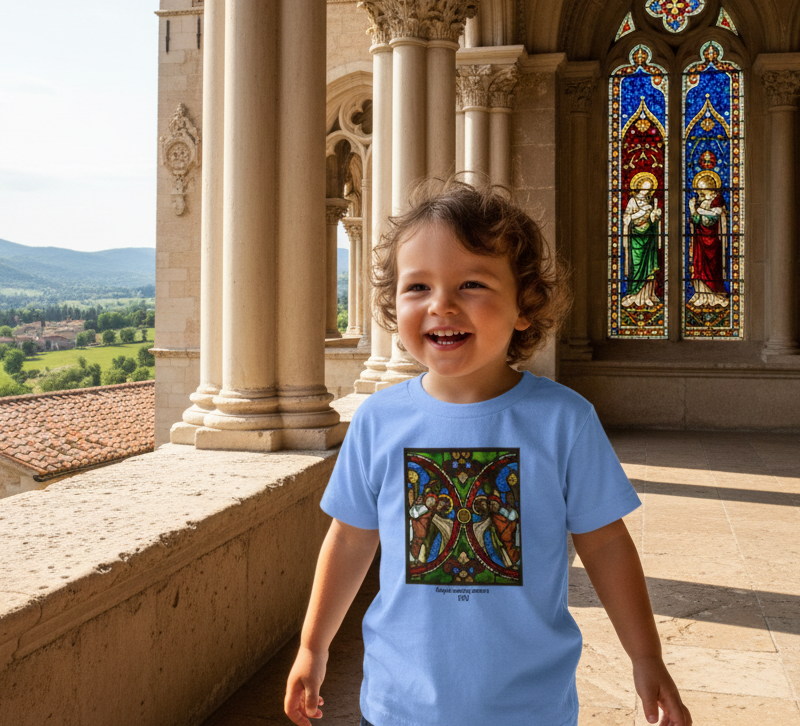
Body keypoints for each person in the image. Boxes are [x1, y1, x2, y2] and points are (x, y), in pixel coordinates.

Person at [284, 181, 691, 726]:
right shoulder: (379, 421)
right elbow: (352, 538)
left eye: (471, 283)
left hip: (528, 707)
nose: (442, 305)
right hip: (399, 705)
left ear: (525, 306)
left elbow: (607, 545)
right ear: (392, 304)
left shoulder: (563, 420)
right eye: (418, 286)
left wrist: (646, 655)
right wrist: (314, 646)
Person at [687, 164, 728, 308]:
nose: (700, 191)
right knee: (699, 267)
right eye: (699, 188)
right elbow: (697, 220)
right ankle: (701, 295)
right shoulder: (703, 202)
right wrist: (693, 210)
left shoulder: (717, 200)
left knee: (712, 267)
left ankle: (714, 296)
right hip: (700, 239)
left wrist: (699, 211)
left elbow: (715, 216)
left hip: (712, 239)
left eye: (702, 187)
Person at [622, 172, 663, 308]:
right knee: (637, 266)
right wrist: (640, 213)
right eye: (645, 187)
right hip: (636, 238)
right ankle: (635, 295)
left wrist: (655, 215)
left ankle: (648, 295)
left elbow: (653, 221)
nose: (647, 190)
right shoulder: (633, 201)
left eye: (649, 188)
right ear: (639, 187)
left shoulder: (651, 202)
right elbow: (627, 219)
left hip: (649, 238)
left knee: (649, 267)